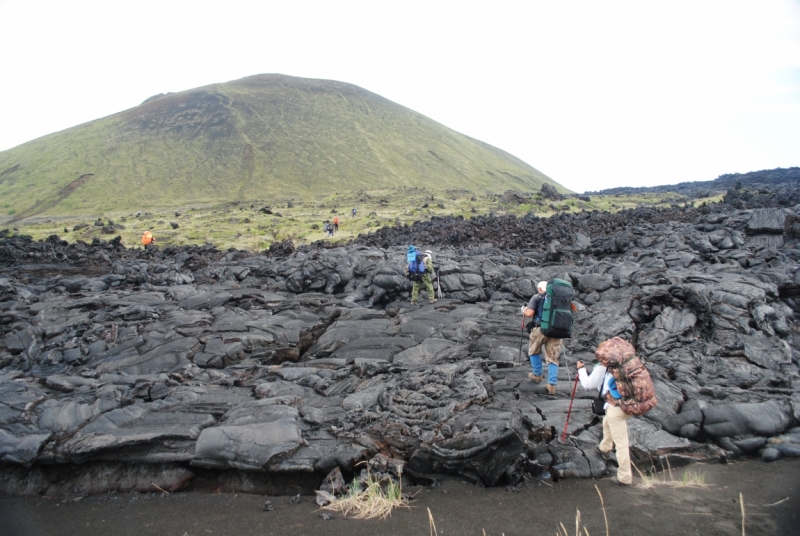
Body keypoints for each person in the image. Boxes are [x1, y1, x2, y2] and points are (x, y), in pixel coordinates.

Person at [577, 357, 632, 486]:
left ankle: (625, 477)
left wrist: (581, 369)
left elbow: (587, 384)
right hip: (629, 405)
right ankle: (605, 447)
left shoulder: (603, 368)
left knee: (621, 444)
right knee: (607, 422)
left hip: (615, 408)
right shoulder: (626, 366)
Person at [522, 281, 563, 394]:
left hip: (539, 329)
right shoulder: (559, 298)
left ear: (540, 289)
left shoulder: (537, 297)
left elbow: (530, 313)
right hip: (556, 330)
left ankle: (537, 374)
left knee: (534, 351)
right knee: (552, 358)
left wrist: (523, 310)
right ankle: (552, 385)